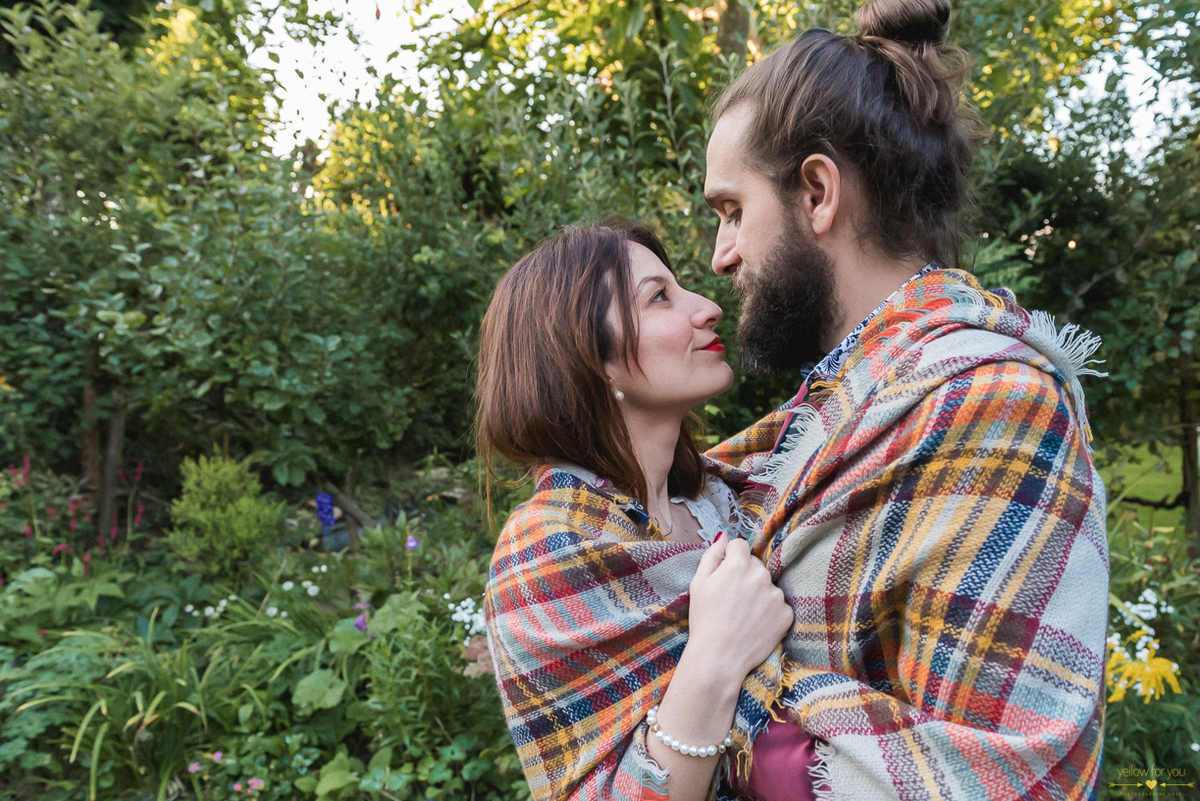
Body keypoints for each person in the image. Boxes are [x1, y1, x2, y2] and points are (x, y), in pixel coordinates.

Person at [700, 0, 1109, 798]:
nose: (721, 256)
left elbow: (1001, 778)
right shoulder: (831, 418)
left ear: (817, 192)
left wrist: (720, 677)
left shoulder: (994, 405)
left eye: (731, 210)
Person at [477, 220, 799, 801]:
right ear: (590, 357)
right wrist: (715, 657)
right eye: (660, 297)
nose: (707, 308)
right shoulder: (548, 551)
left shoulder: (733, 497)